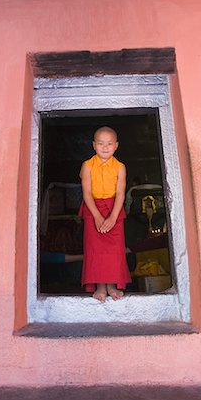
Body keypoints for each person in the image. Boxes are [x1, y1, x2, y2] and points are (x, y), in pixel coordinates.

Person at [79, 126, 131, 302]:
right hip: (93, 209)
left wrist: (113, 217)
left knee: (114, 251)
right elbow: (86, 193)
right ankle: (100, 287)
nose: (105, 147)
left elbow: (121, 194)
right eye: (101, 143)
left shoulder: (120, 167)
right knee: (95, 250)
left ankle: (112, 285)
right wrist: (98, 216)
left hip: (114, 209)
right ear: (94, 145)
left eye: (109, 144)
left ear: (116, 146)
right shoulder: (87, 166)